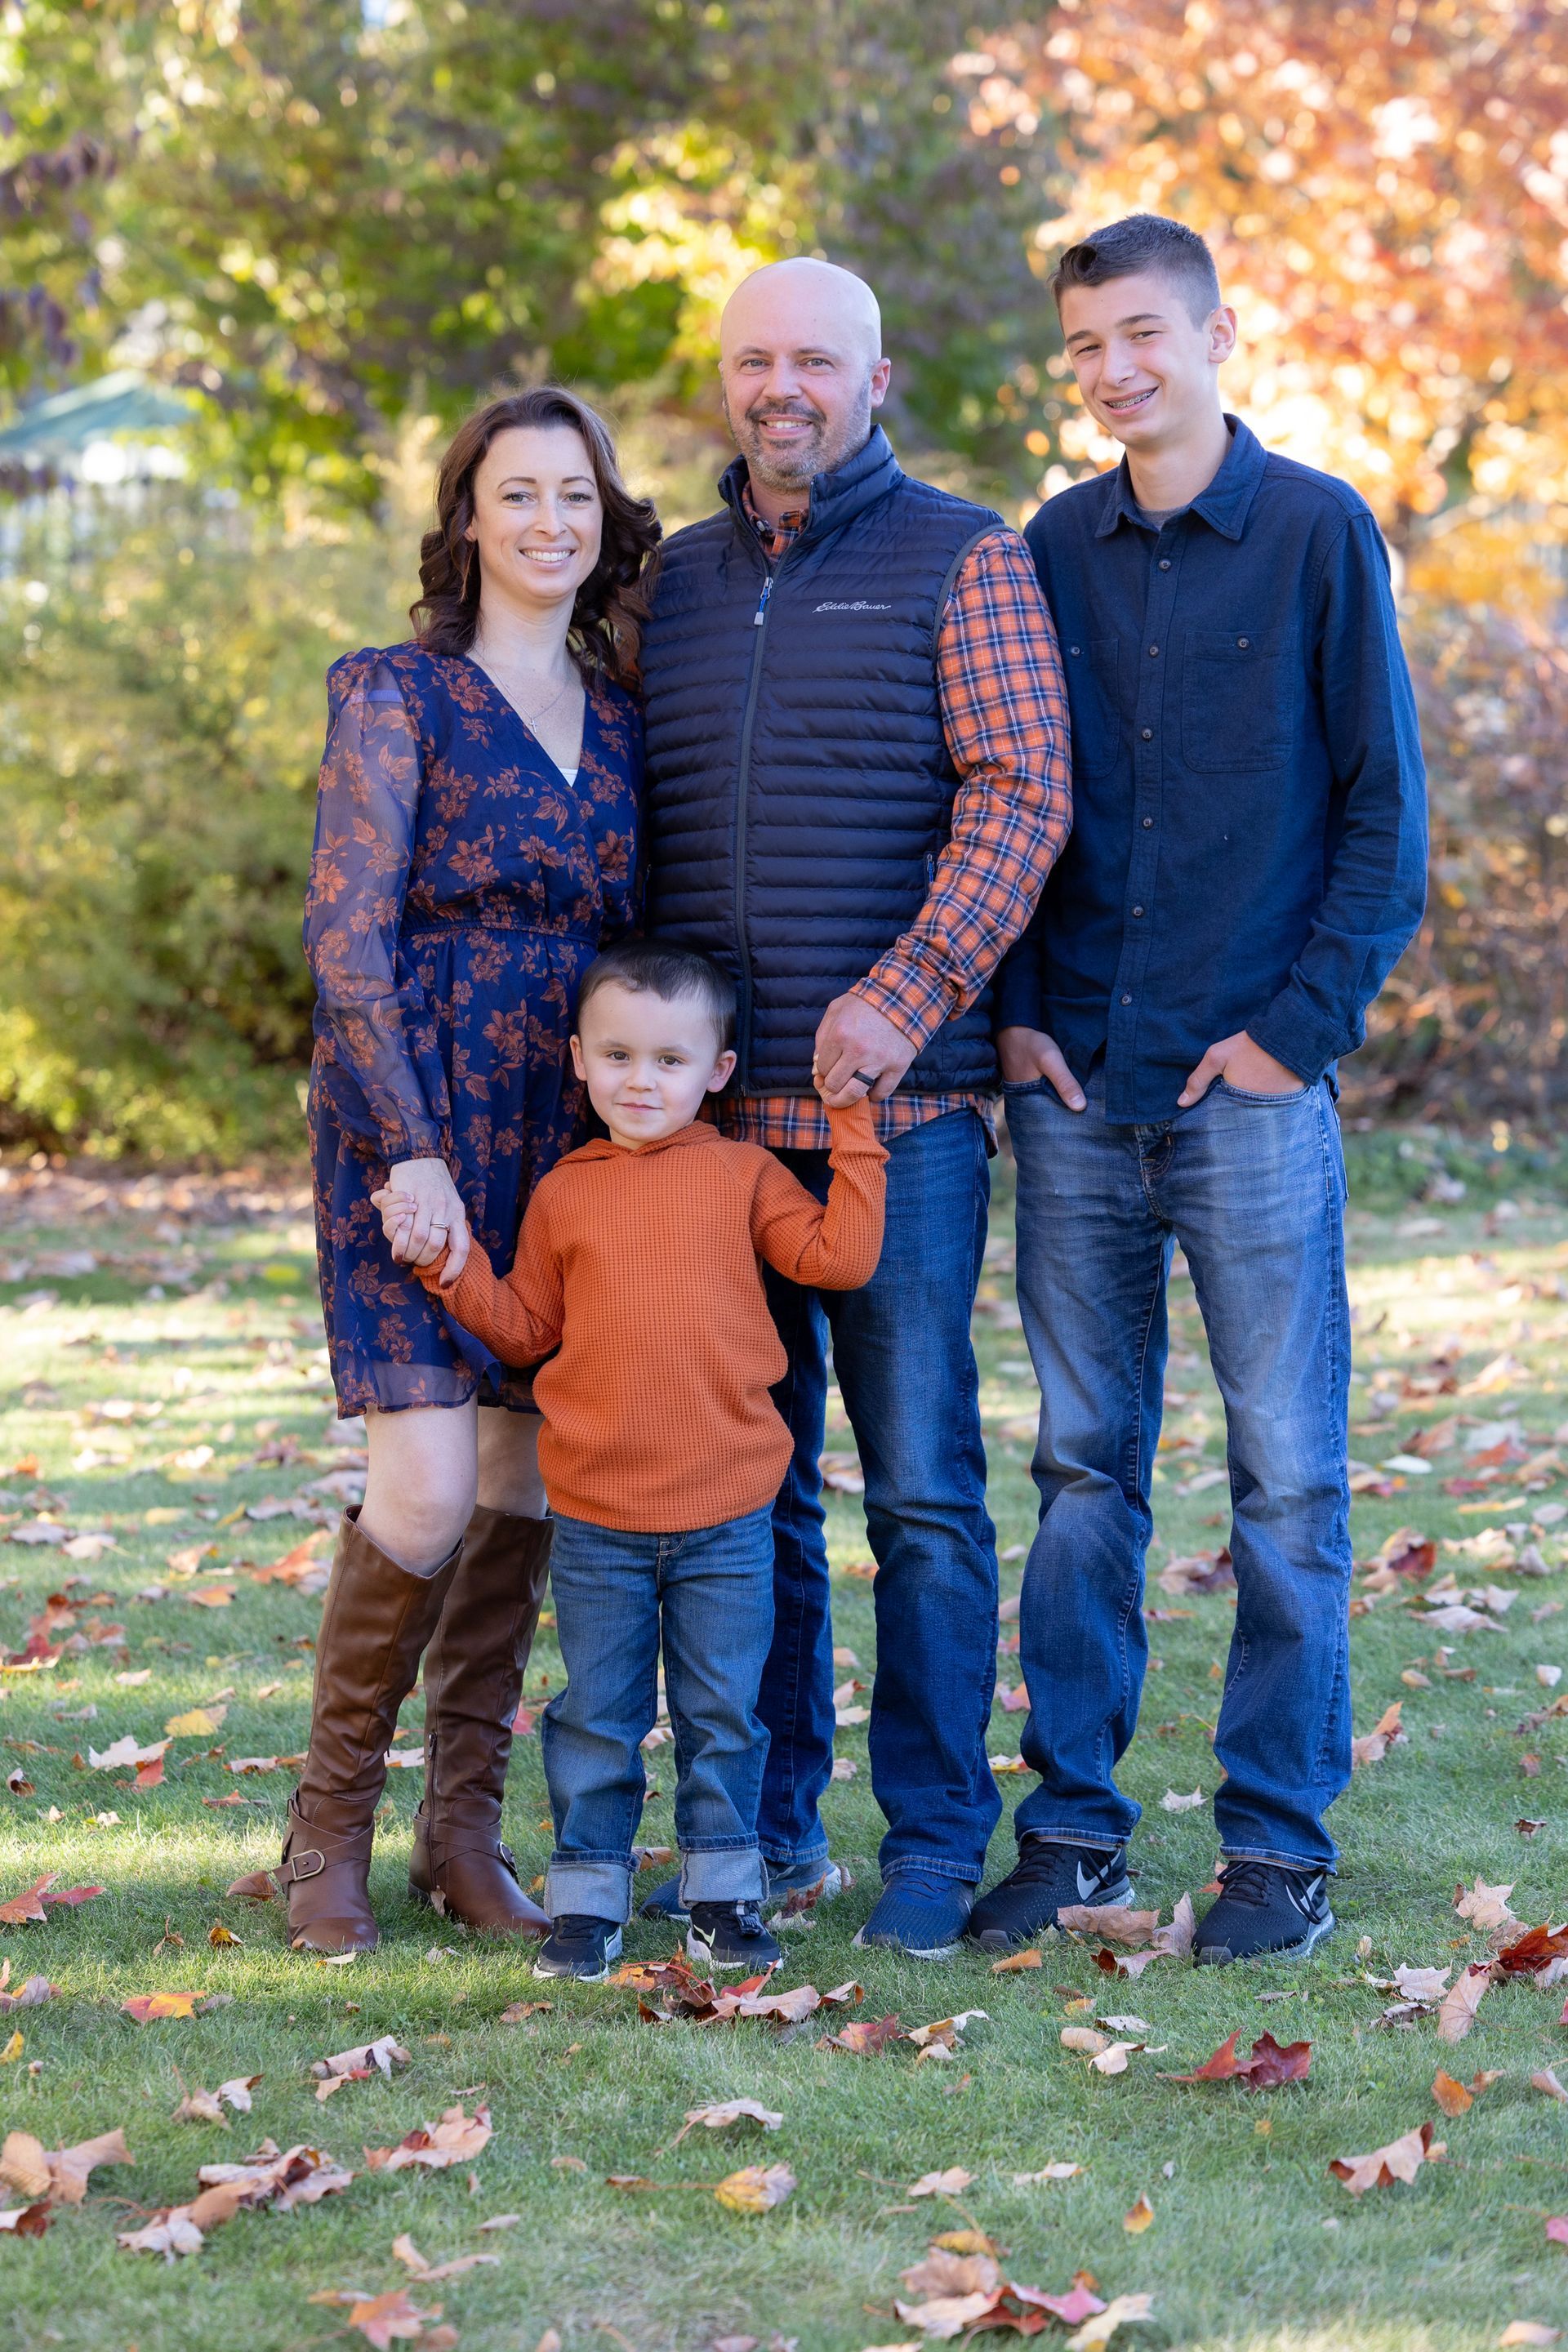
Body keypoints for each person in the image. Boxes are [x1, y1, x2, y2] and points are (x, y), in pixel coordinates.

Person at [972, 214, 1428, 1964]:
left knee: (1287, 1480)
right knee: (1085, 1470)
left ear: (1218, 332)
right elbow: (1009, 793)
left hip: (1248, 1092)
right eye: (1088, 346)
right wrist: (1018, 1016)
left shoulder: (1315, 531)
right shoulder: (1046, 551)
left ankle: (1274, 1853)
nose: (1115, 371)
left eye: (1144, 334)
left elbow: (1384, 823)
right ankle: (1074, 1832)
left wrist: (1294, 1036)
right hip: (1078, 1086)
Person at [635, 256, 1071, 1959]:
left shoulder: (967, 557)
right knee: (748, 1487)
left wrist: (904, 996)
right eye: (753, 362)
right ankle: (764, 1826)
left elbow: (1025, 793)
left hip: (908, 1119)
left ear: (876, 379)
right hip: (712, 1132)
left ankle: (935, 1837)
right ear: (725, 385)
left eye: (814, 360)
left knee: (921, 1491)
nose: (781, 389)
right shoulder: (666, 580)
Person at [290, 388, 655, 1953]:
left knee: (523, 1477)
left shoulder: (621, 710)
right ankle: (324, 1837)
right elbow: (344, 939)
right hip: (417, 1109)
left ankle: (460, 1837)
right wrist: (410, 1145)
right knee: (427, 1483)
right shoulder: (397, 695)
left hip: (564, 1125)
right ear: (466, 520)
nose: (549, 524)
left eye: (575, 496)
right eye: (518, 496)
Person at [373, 939, 887, 1981]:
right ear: (579, 1058)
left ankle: (726, 1899)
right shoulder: (566, 1192)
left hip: (727, 1514)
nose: (641, 1080)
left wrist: (854, 1131)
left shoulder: (743, 1175)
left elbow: (839, 1258)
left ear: (718, 1072)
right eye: (617, 1056)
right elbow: (523, 1332)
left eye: (668, 1060)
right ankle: (587, 1902)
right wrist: (450, 1265)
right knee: (596, 1719)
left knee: (722, 1718)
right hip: (601, 1516)